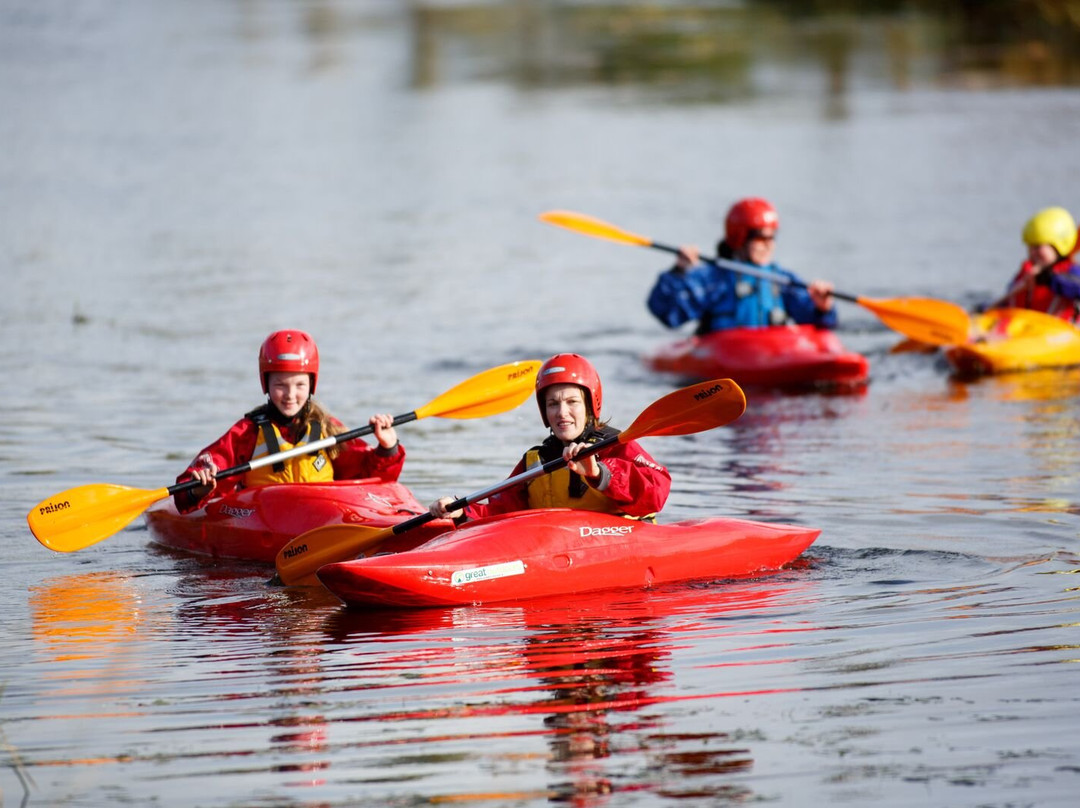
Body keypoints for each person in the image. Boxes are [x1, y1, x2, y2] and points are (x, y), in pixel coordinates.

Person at [174, 329, 404, 513]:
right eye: (280, 385)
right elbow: (191, 489)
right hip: (265, 517)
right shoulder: (247, 433)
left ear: (312, 384)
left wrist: (387, 448)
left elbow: (370, 478)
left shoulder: (327, 428)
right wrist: (200, 487)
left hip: (321, 515)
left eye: (300, 385)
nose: (290, 394)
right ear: (266, 384)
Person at [429, 353, 670, 524]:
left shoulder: (615, 446)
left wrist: (599, 473)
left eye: (572, 402)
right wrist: (460, 511)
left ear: (589, 405)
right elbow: (501, 510)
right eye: (553, 404)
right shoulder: (537, 460)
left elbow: (656, 495)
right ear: (544, 411)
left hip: (621, 546)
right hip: (559, 552)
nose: (562, 412)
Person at [646, 197, 837, 335]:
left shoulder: (783, 280)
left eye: (772, 237)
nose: (769, 245)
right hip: (724, 354)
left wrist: (822, 308)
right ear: (739, 238)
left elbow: (821, 325)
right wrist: (679, 272)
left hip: (772, 351)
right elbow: (667, 314)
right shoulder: (714, 279)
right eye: (761, 238)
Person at [989, 206, 1080, 322]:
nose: (1033, 252)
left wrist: (1048, 279)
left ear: (1058, 247)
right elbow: (1007, 303)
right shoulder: (1026, 274)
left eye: (1038, 247)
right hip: (1024, 332)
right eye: (1030, 247)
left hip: (1060, 334)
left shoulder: (1072, 273)